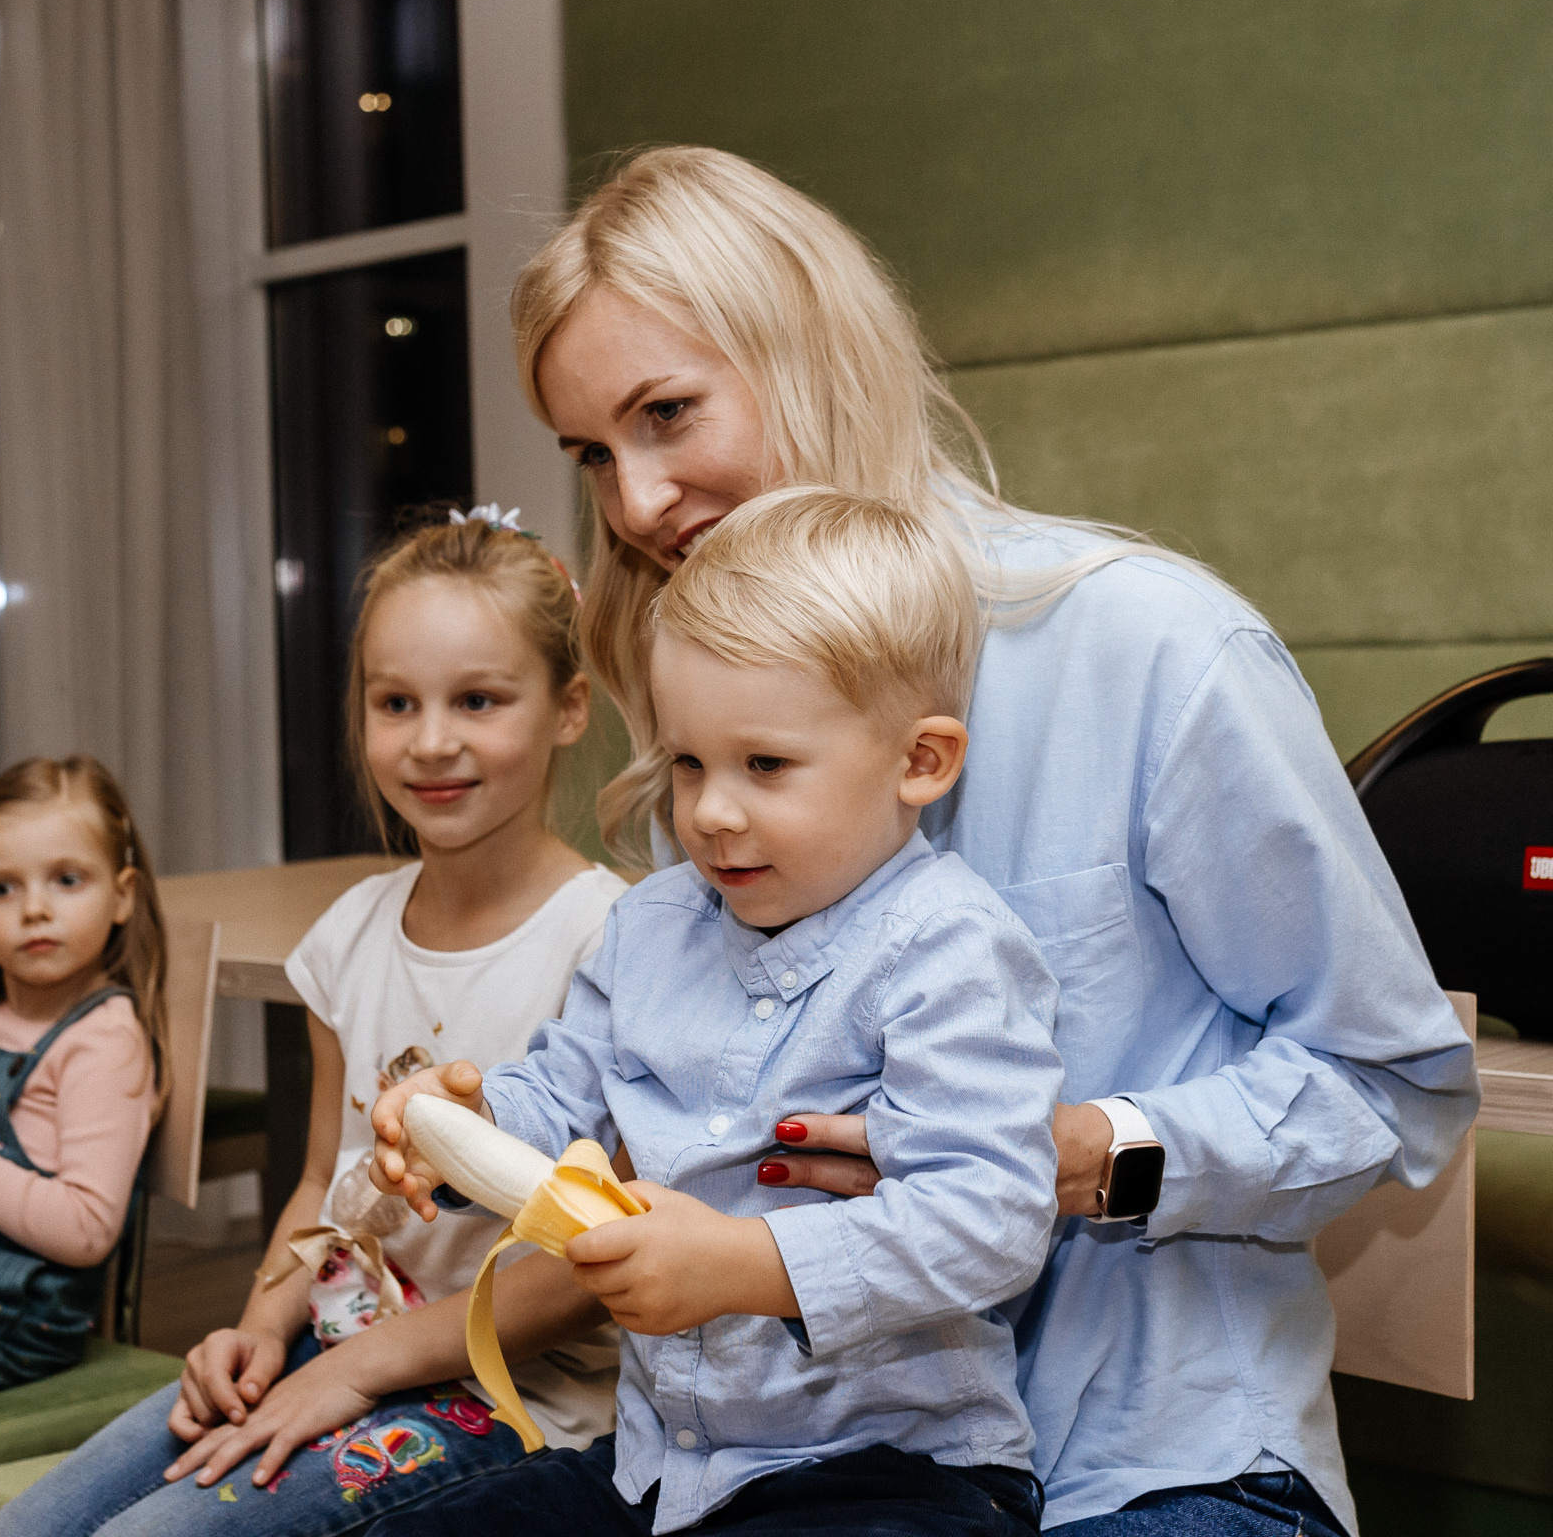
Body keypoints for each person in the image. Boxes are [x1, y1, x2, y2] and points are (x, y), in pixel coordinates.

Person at [480, 144, 1480, 1534]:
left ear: (812, 355)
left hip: (1152, 1456)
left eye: (668, 415)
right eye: (593, 452)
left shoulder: (1153, 647)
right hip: (784, 1462)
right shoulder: (709, 730)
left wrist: (1071, 1154)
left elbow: (1396, 1087)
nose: (636, 504)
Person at [368, 486, 1065, 1536]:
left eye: (766, 765)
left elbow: (991, 1219)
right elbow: (566, 1096)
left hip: (887, 1474)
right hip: (660, 1466)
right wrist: (463, 1128)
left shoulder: (952, 949)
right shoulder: (652, 925)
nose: (710, 812)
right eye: (688, 763)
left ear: (920, 761)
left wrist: (747, 1267)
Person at [0, 510, 629, 1535]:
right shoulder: (347, 936)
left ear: (567, 708)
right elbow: (317, 1183)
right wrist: (257, 1325)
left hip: (514, 1395)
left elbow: (591, 1273)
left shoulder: (613, 940)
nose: (431, 741)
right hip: (336, 1341)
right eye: (395, 702)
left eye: (478, 699)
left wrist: (360, 1370)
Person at [0, 756, 168, 1411]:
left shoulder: (102, 1040)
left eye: (67, 880)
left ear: (122, 894)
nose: (35, 909)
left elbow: (86, 1227)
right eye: (2, 889)